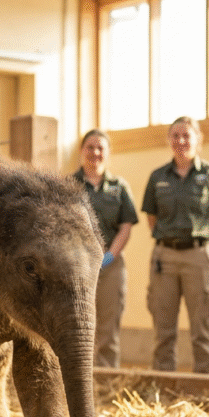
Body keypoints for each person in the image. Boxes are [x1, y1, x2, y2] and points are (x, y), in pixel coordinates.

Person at [141, 116, 209, 374]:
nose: (180, 141)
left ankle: (205, 392)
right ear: (169, 140)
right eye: (175, 136)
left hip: (199, 256)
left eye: (186, 136)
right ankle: (163, 388)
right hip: (165, 258)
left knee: (202, 330)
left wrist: (208, 250)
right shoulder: (157, 176)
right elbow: (151, 218)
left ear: (197, 140)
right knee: (163, 330)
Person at [73, 130, 139, 368]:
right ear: (81, 151)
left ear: (108, 153)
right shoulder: (69, 185)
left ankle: (107, 380)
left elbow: (126, 225)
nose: (95, 153)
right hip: (78, 267)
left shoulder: (119, 187)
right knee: (79, 327)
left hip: (111, 267)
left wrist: (110, 255)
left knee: (108, 328)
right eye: (90, 147)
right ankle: (82, 381)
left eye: (100, 148)